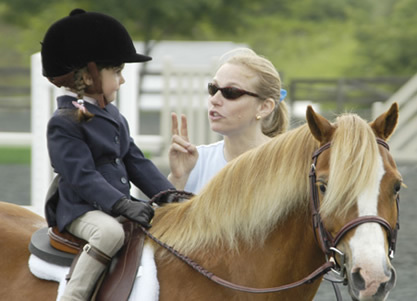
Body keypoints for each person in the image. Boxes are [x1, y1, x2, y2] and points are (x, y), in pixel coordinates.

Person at [41, 9, 174, 300]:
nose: (122, 80)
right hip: (80, 209)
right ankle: (73, 295)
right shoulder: (63, 122)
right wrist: (122, 205)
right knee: (110, 234)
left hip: (115, 204)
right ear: (88, 76)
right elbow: (82, 176)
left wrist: (167, 195)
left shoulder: (112, 115)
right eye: (117, 71)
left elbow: (135, 160)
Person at [168, 48, 289, 193]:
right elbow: (160, 215)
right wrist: (178, 179)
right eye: (213, 89)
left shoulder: (288, 163)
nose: (215, 99)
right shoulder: (194, 161)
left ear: (264, 107)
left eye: (231, 92)